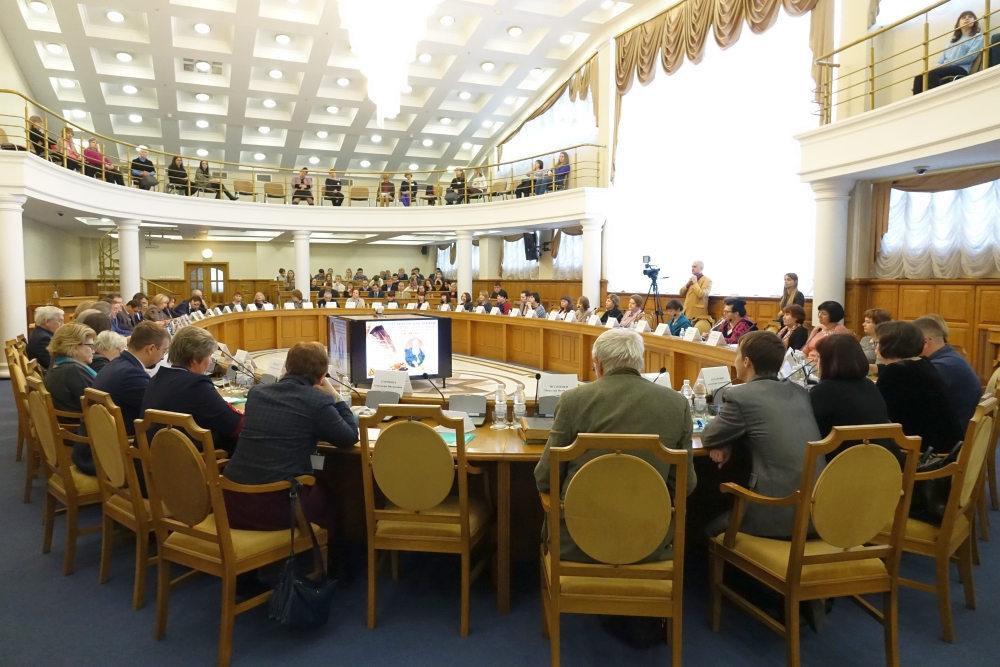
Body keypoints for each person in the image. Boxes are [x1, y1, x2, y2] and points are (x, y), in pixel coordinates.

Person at [534, 328, 696, 563]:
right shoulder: (677, 404)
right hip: (650, 542)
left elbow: (545, 478)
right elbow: (685, 484)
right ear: (640, 362)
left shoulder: (573, 401)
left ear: (597, 364)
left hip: (576, 544)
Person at [223, 342, 357, 542]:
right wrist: (336, 397)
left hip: (232, 500)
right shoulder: (318, 401)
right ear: (322, 376)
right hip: (276, 504)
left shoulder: (257, 393)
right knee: (334, 499)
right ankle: (328, 561)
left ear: (286, 366)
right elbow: (349, 437)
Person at [701, 331, 822, 538]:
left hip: (778, 513)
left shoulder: (741, 395)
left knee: (703, 529)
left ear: (746, 361)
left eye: (737, 355)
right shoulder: (799, 392)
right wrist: (729, 442)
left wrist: (726, 441)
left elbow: (709, 437)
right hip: (818, 513)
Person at [81, 323, 170, 475]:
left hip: (96, 449)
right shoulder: (131, 375)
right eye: (164, 351)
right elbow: (158, 413)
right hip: (110, 459)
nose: (163, 357)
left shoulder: (117, 363)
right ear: (151, 348)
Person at [142, 326, 244, 455]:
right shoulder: (196, 384)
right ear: (196, 357)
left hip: (153, 457)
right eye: (209, 356)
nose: (210, 362)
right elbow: (236, 425)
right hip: (186, 462)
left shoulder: (158, 378)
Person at [875, 321, 964, 453]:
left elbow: (877, 413)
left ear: (890, 345)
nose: (874, 345)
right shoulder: (923, 364)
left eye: (877, 342)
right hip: (947, 447)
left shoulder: (895, 373)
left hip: (926, 453)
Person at [809, 335, 893, 461]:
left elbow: (810, 430)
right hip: (884, 461)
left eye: (819, 357)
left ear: (829, 361)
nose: (817, 361)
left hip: (842, 464)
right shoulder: (869, 385)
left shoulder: (822, 391)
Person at [914, 315, 982, 426]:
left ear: (926, 342)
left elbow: (917, 401)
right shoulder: (949, 356)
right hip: (958, 425)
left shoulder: (942, 366)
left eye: (911, 342)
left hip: (955, 432)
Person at [913, 11, 984, 94]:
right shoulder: (951, 42)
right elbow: (940, 61)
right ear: (958, 24)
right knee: (919, 77)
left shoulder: (978, 37)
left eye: (970, 17)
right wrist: (936, 67)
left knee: (933, 74)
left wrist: (947, 64)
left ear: (974, 21)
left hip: (961, 68)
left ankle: (937, 98)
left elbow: (970, 57)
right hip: (946, 68)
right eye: (963, 17)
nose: (967, 19)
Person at [43, 323, 97, 417]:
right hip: (79, 423)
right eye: (90, 346)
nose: (94, 351)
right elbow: (99, 401)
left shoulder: (60, 363)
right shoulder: (73, 370)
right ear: (75, 346)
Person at [27, 306, 64, 371]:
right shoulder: (44, 339)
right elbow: (54, 364)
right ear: (47, 322)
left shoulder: (39, 332)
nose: (63, 324)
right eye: (60, 321)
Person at [679, 261, 712, 332]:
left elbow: (701, 294)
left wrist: (695, 283)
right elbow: (681, 293)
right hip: (686, 312)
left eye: (695, 267)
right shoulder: (691, 280)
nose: (692, 268)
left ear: (701, 268)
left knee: (694, 335)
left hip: (697, 315)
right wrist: (687, 284)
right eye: (692, 266)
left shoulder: (707, 281)